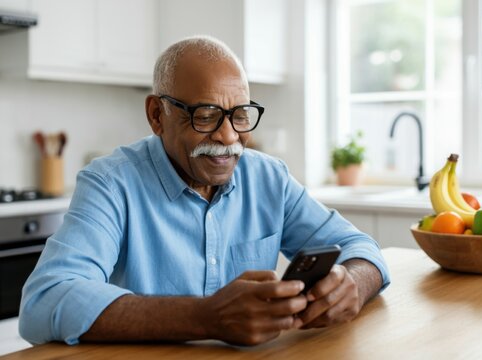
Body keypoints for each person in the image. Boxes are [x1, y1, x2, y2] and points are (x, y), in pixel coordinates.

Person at [19, 36, 390, 347]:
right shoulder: (111, 183)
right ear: (156, 115)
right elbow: (44, 302)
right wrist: (205, 316)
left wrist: (351, 284)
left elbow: (362, 248)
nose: (228, 137)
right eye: (206, 115)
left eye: (240, 114)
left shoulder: (268, 178)